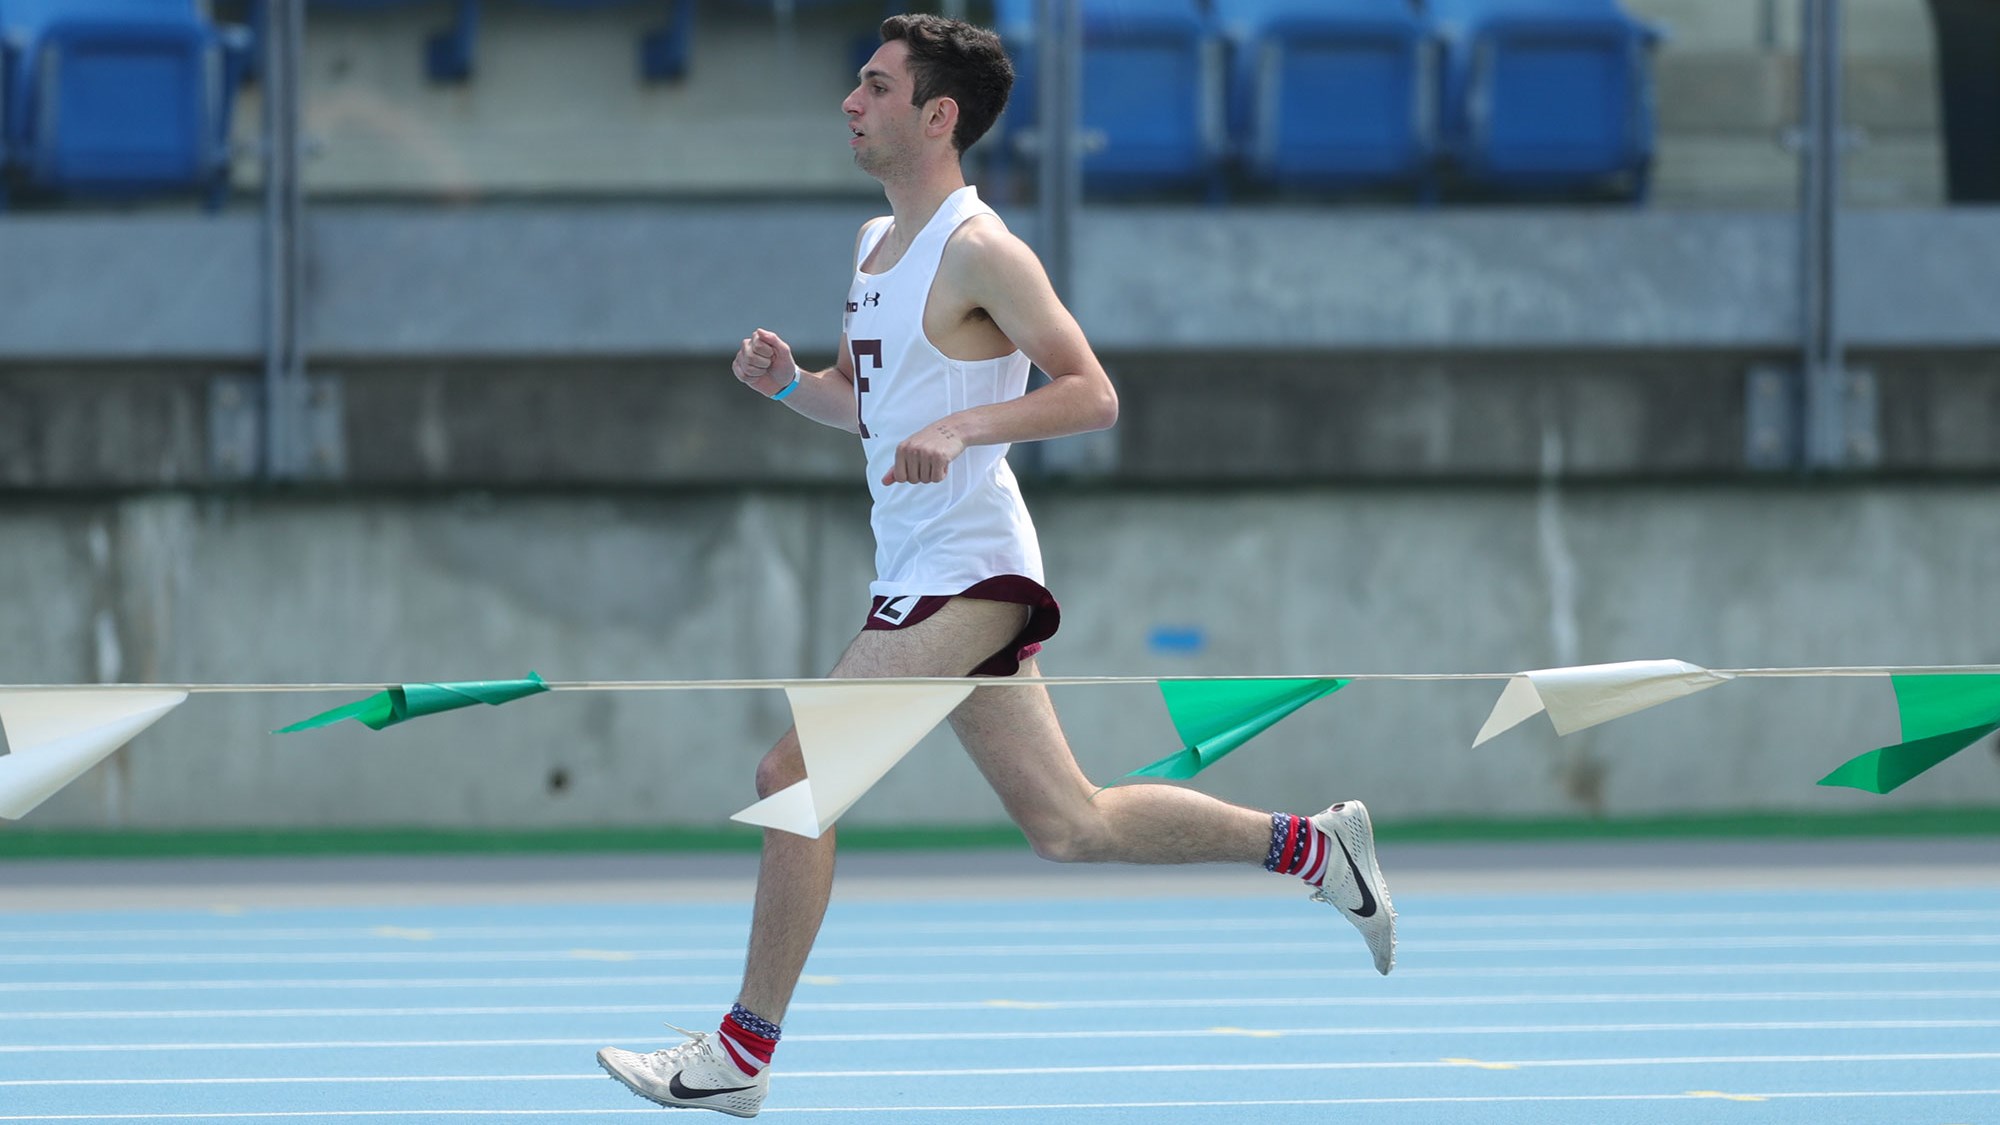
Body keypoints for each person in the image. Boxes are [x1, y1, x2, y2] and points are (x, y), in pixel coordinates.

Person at [597, 15, 1394, 1118]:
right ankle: (1313, 849)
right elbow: (873, 409)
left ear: (937, 117)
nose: (849, 102)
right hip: (914, 570)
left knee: (794, 778)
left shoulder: (982, 248)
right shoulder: (873, 245)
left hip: (970, 573)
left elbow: (1090, 391)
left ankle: (740, 1054)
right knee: (1071, 826)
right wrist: (790, 385)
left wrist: (971, 432)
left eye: (873, 87)